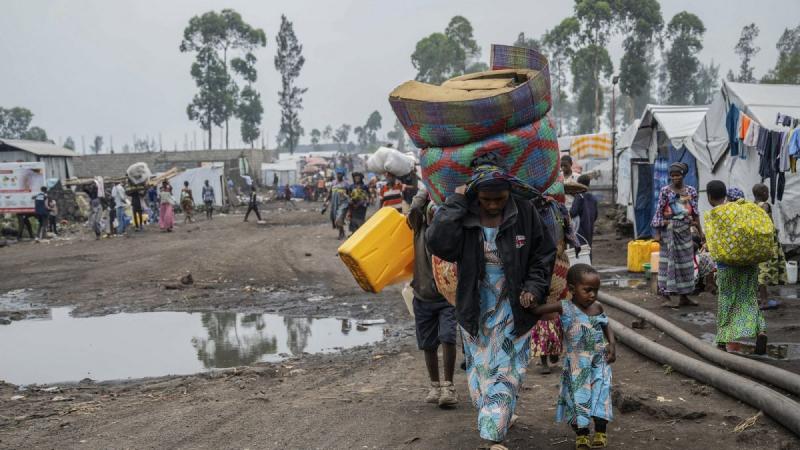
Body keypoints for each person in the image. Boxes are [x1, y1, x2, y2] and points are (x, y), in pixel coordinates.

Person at [427, 154, 556, 447]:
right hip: (475, 306)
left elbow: (543, 254)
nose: (494, 204)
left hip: (515, 306)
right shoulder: (464, 211)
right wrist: (456, 203)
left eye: (500, 198)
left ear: (509, 193)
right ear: (475, 195)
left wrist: (534, 288)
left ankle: (492, 434)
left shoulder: (524, 212)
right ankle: (496, 413)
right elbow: (438, 243)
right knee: (480, 373)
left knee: (507, 368)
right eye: (487, 199)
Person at [530, 264, 616, 449]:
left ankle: (601, 432)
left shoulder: (597, 307)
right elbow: (538, 311)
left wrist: (612, 345)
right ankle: (582, 435)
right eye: (588, 290)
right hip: (577, 364)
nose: (593, 295)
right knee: (578, 398)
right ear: (571, 289)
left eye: (596, 290)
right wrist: (531, 300)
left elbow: (606, 325)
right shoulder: (565, 307)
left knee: (601, 395)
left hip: (599, 361)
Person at [408, 189, 458, 408]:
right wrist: (427, 189)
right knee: (428, 343)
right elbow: (413, 210)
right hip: (422, 295)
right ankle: (435, 385)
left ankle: (448, 385)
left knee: (447, 337)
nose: (433, 218)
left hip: (446, 297)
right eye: (431, 214)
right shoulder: (419, 230)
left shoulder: (449, 234)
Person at [706, 180, 768, 354]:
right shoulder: (741, 209)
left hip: (727, 266)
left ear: (710, 197)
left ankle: (723, 339)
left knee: (726, 300)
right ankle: (760, 331)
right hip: (749, 263)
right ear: (725, 194)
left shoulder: (715, 215)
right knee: (749, 298)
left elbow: (714, 245)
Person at [532, 196, 578, 375]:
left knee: (560, 307)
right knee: (542, 310)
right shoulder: (529, 208)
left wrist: (573, 243)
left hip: (559, 263)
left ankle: (555, 348)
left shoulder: (558, 208)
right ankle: (544, 356)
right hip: (538, 265)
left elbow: (569, 229)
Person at [651, 162, 704, 308]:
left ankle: (684, 297)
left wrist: (701, 232)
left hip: (685, 232)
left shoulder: (691, 191)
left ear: (683, 175)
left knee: (685, 264)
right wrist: (657, 233)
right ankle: (666, 297)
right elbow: (659, 211)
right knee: (667, 264)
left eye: (678, 175)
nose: (675, 178)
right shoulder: (665, 191)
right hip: (668, 232)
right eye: (672, 176)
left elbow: (695, 212)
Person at [752, 183, 788, 310]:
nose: (768, 194)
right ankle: (764, 301)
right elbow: (765, 221)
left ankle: (763, 298)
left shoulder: (751, 206)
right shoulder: (764, 206)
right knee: (765, 271)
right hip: (767, 243)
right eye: (767, 192)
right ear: (763, 193)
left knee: (759, 270)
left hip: (756, 242)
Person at [571, 174, 598, 256]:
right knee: (588, 248)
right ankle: (588, 266)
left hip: (579, 229)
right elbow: (596, 215)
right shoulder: (593, 198)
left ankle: (581, 266)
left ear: (578, 184)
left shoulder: (579, 196)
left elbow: (573, 212)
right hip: (589, 228)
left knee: (580, 249)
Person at [327, 171, 350, 239]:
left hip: (343, 203)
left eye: (340, 174)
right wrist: (326, 201)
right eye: (338, 174)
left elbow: (349, 193)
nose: (339, 175)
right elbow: (330, 192)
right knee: (334, 218)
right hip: (334, 203)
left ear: (343, 175)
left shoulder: (346, 184)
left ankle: (341, 233)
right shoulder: (333, 183)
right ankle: (341, 231)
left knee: (339, 218)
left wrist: (349, 199)